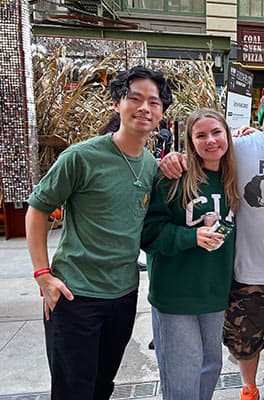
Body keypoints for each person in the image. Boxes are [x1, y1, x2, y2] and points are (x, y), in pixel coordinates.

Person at [25, 65, 173, 400]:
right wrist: (43, 275)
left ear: (161, 113)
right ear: (117, 103)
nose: (144, 108)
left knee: (101, 387)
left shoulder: (151, 165)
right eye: (134, 98)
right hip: (76, 295)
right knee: (72, 391)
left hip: (122, 296)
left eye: (154, 102)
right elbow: (38, 209)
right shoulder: (81, 157)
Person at [161, 87, 264, 400]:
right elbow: (206, 149)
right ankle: (249, 390)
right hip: (247, 273)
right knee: (244, 342)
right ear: (262, 119)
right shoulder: (240, 147)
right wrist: (175, 158)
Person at [141, 109, 238, 400]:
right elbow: (148, 234)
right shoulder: (173, 177)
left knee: (210, 369)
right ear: (190, 141)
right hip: (175, 294)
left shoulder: (233, 178)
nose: (211, 140)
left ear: (228, 136)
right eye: (201, 135)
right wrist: (191, 236)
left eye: (217, 132)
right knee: (183, 377)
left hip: (214, 292)